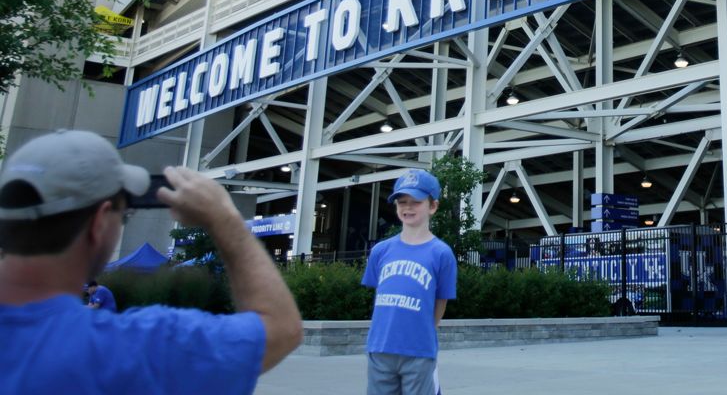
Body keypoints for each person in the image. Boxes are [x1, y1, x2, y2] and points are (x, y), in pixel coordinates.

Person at [0, 130, 302, 394]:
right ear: (100, 222)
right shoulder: (142, 350)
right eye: (124, 214)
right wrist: (225, 219)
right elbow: (281, 328)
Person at [363, 168, 458, 395]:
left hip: (418, 350)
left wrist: (425, 331)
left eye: (415, 201)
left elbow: (441, 301)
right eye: (401, 201)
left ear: (432, 206)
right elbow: (379, 296)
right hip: (381, 347)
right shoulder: (380, 251)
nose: (407, 207)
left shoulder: (441, 253)